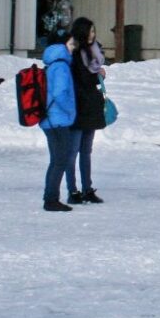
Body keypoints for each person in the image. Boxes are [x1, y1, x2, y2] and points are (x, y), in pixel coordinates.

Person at [66, 18, 108, 205]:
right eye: (90, 32)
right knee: (73, 150)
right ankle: (72, 190)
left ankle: (87, 188)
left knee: (86, 151)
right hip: (78, 106)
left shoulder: (93, 50)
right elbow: (81, 80)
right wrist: (96, 75)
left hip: (91, 105)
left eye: (94, 31)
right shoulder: (74, 54)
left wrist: (97, 74)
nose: (93, 35)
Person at [37, 36, 80, 212]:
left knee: (56, 159)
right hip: (58, 120)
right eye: (70, 44)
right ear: (62, 46)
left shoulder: (52, 64)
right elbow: (60, 93)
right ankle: (51, 199)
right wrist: (71, 110)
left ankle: (50, 196)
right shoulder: (61, 66)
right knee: (60, 159)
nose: (73, 47)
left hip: (49, 119)